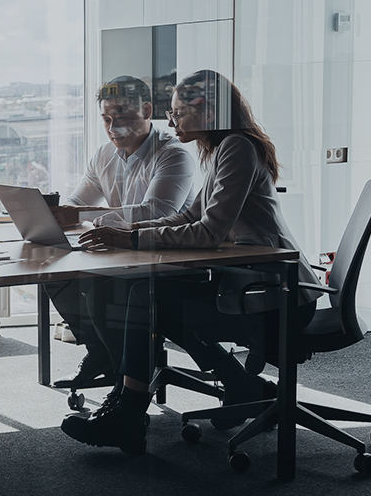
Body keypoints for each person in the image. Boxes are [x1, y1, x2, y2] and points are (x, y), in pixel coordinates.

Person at [62, 69, 323, 453]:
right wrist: (130, 235)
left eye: (178, 112)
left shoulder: (237, 147)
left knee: (146, 295)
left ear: (210, 113)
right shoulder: (221, 150)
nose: (170, 121)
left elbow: (209, 232)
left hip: (274, 292)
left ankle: (128, 413)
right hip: (249, 281)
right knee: (147, 294)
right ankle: (236, 386)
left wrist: (131, 237)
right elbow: (189, 219)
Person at [46, 75, 198, 390]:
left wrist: (84, 214)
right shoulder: (104, 155)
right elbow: (79, 202)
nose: (113, 128)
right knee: (54, 273)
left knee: (100, 288)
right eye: (106, 120)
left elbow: (156, 213)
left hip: (164, 257)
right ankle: (101, 354)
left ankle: (123, 376)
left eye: (122, 118)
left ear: (146, 110)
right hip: (123, 253)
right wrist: (60, 215)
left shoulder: (173, 154)